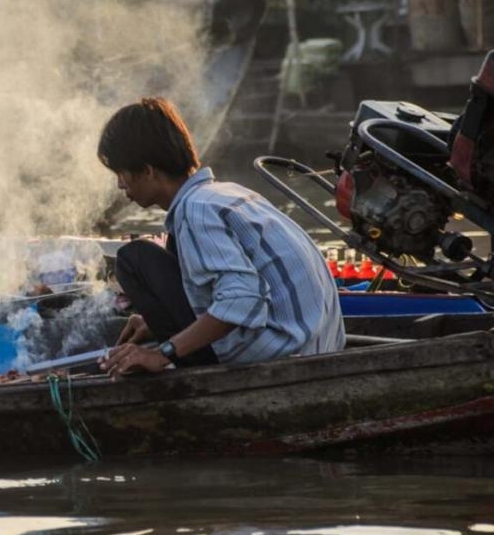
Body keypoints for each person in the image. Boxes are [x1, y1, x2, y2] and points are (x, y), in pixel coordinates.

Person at [96, 97, 344, 380]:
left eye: (121, 173)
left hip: (282, 354)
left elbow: (242, 300)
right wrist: (155, 325)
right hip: (318, 344)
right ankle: (180, 342)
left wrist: (162, 353)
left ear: (148, 170)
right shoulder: (227, 193)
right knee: (170, 246)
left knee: (135, 258)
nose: (120, 184)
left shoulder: (196, 210)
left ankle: (188, 363)